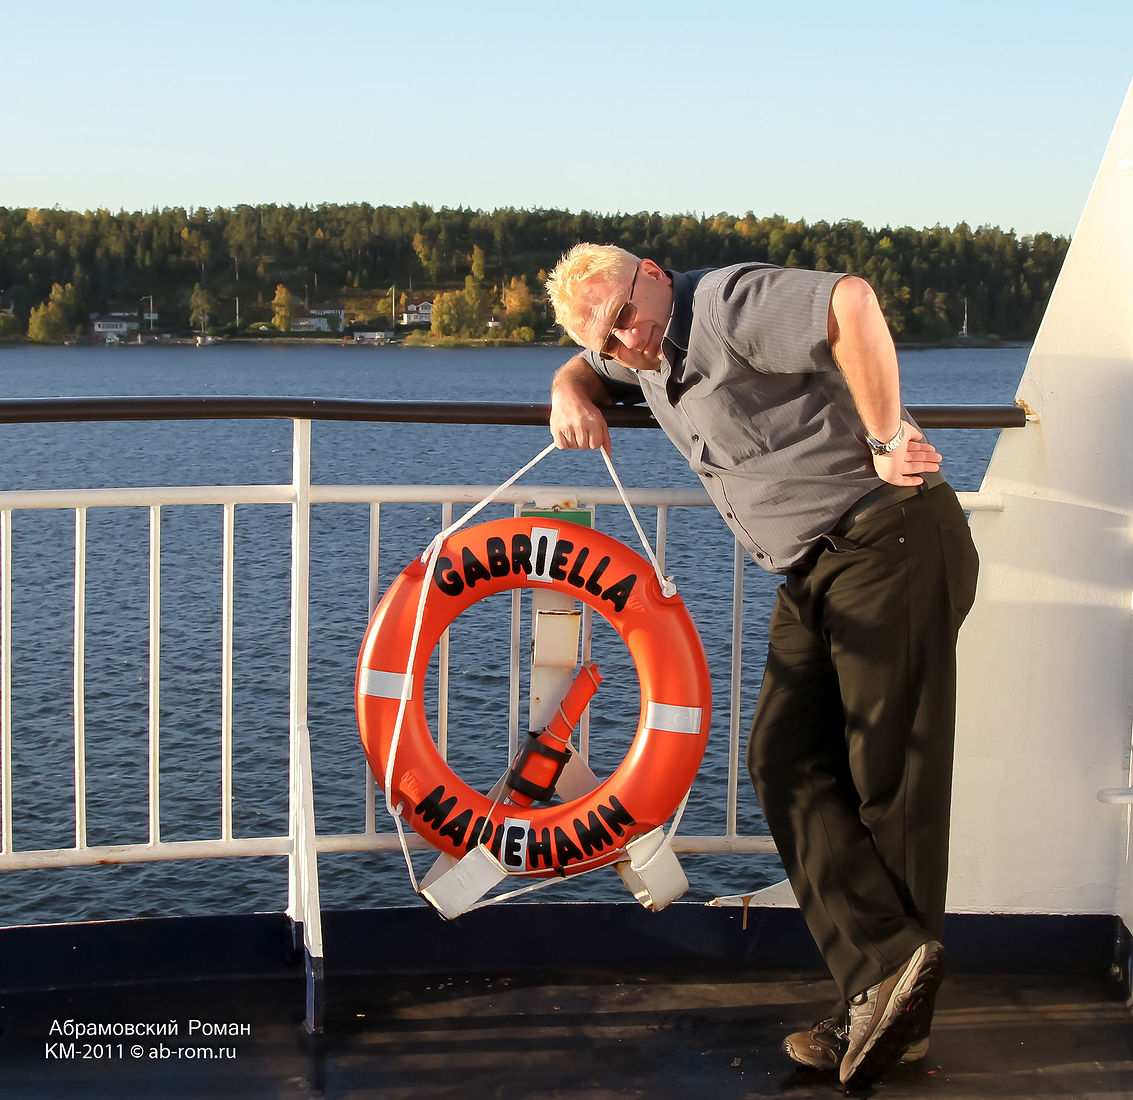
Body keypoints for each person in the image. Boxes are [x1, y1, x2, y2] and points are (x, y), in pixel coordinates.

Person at [544, 243, 979, 1087]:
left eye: (625, 315)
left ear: (652, 273)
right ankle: (882, 978)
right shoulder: (640, 349)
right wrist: (570, 385)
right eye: (606, 336)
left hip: (887, 540)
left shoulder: (723, 305)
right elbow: (590, 363)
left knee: (889, 785)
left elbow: (851, 303)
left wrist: (886, 435)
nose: (625, 341)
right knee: (780, 760)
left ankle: (890, 1022)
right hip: (816, 570)